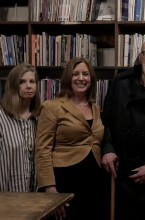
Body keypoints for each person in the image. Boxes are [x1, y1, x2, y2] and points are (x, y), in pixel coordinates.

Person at [101, 38, 145, 220]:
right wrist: (107, 149)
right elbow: (105, 120)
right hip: (120, 170)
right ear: (140, 57)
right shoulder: (119, 82)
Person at [35, 57, 108, 220]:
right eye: (76, 74)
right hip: (63, 182)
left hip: (93, 182)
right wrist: (50, 188)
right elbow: (42, 149)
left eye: (85, 74)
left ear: (91, 79)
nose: (81, 78)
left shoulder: (95, 108)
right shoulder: (52, 106)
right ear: (68, 77)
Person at [0, 64, 40, 192]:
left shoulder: (40, 118)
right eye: (22, 82)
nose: (28, 86)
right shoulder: (1, 118)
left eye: (32, 81)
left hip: (36, 197)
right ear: (13, 86)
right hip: (8, 197)